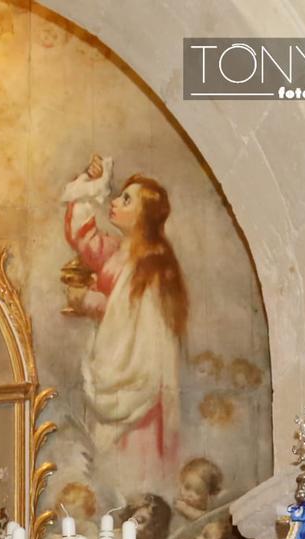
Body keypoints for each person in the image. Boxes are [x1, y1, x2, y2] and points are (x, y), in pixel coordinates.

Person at [62, 154, 188, 473]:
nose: (115, 202)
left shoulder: (154, 265)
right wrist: (92, 184)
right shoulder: (117, 250)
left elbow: (135, 321)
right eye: (119, 196)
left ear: (144, 217)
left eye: (126, 200)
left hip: (140, 383)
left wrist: (86, 301)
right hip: (114, 369)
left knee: (134, 464)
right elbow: (83, 238)